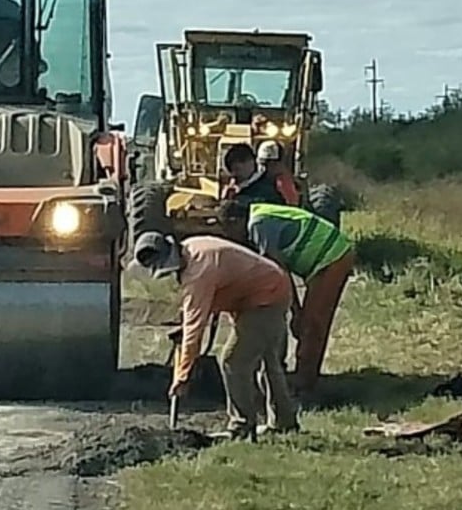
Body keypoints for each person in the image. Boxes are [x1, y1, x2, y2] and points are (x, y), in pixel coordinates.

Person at [133, 230, 300, 440]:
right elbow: (196, 309)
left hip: (266, 298)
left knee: (233, 361)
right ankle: (285, 422)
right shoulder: (191, 248)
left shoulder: (199, 270)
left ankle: (241, 426)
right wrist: (184, 327)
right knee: (268, 361)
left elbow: (195, 327)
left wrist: (182, 375)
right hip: (269, 289)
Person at [219, 197, 355, 396]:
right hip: (323, 259)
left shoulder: (259, 224)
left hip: (332, 256)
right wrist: (296, 310)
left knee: (313, 323)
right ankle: (303, 375)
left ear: (234, 221)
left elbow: (277, 273)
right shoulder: (261, 213)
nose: (229, 236)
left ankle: (304, 383)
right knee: (307, 322)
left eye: (227, 229)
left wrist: (296, 312)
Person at [221, 143, 293, 206]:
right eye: (232, 171)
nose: (236, 174)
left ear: (251, 161)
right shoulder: (233, 191)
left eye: (238, 169)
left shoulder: (267, 189)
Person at [256, 141, 300, 207]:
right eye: (263, 164)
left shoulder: (284, 182)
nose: (265, 168)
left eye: (272, 163)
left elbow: (293, 205)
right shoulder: (254, 183)